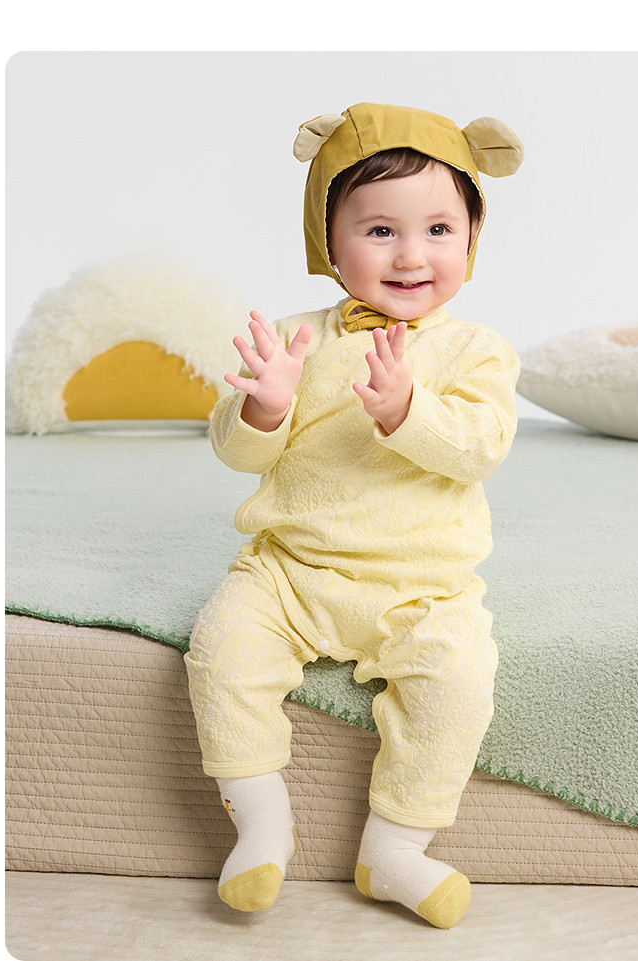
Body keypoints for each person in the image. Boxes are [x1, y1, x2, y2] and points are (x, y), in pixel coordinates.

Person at [185, 102, 524, 929]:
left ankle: (394, 848)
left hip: (422, 585)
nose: (411, 254)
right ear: (327, 242)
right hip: (291, 571)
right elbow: (237, 452)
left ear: (471, 239)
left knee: (459, 680)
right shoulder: (296, 340)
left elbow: (481, 444)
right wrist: (265, 407)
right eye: (380, 231)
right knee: (221, 649)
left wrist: (410, 408)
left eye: (439, 229)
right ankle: (261, 822)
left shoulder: (475, 350)